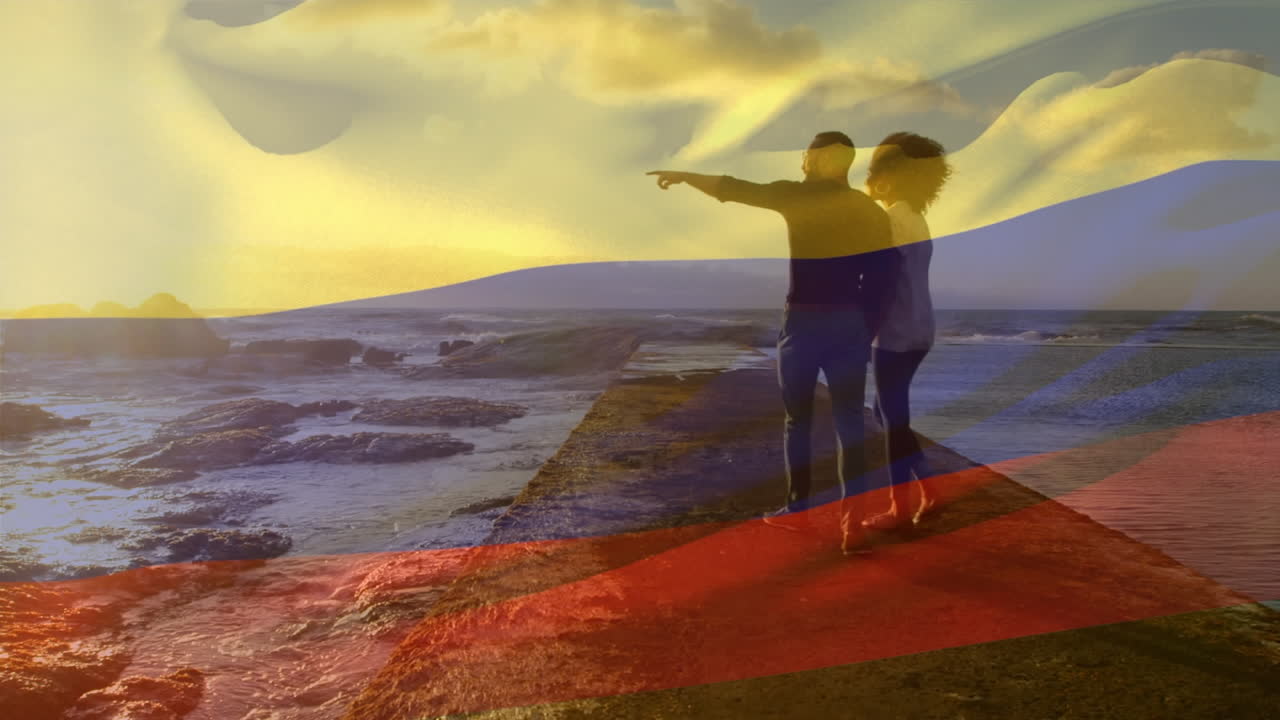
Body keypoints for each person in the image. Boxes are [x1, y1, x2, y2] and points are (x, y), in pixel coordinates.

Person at [648, 131, 895, 555]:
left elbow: (735, 189)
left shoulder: (798, 197)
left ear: (817, 159)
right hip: (850, 324)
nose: (804, 160)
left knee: (798, 422)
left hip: (803, 323)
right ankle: (851, 526)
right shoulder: (867, 209)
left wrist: (687, 175)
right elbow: (886, 274)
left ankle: (798, 513)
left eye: (808, 154)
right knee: (850, 422)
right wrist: (868, 324)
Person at [860, 132, 952, 531]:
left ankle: (902, 508)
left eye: (877, 170)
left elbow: (881, 284)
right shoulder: (917, 217)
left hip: (894, 330)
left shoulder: (892, 218)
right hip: (920, 327)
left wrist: (863, 331)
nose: (870, 179)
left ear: (893, 176)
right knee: (886, 412)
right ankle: (929, 488)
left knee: (892, 420)